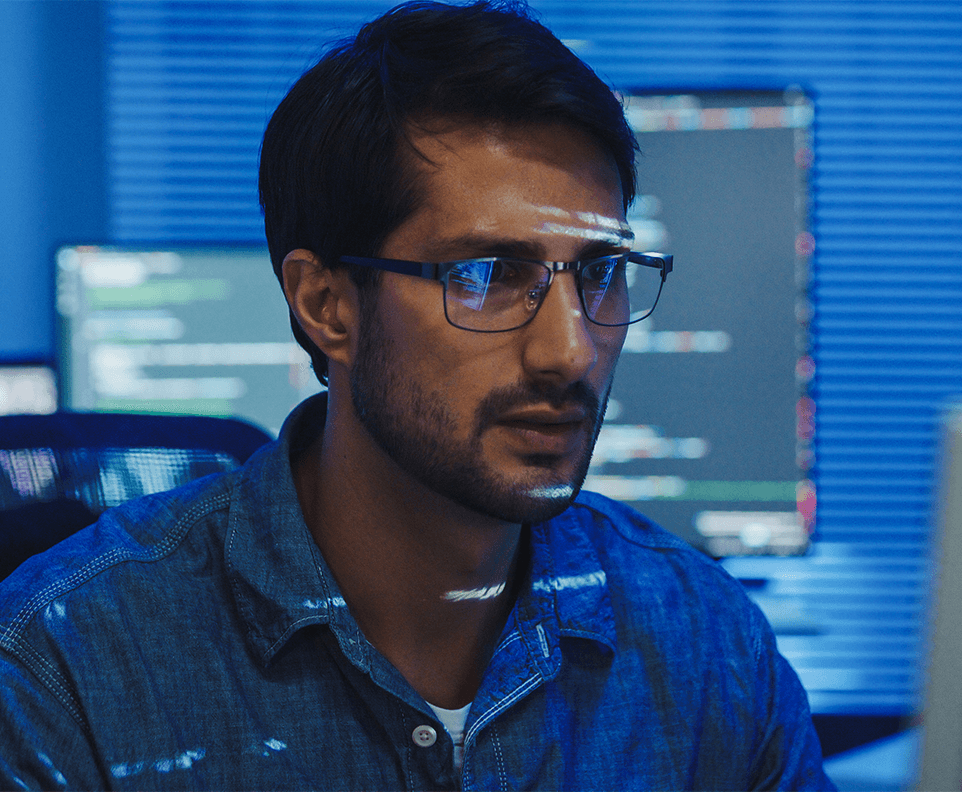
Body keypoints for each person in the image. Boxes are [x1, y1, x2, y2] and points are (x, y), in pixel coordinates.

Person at [0, 1, 835, 789]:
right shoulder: (66, 667)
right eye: (485, 275)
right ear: (326, 305)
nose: (571, 350)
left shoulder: (707, 649)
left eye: (600, 274)